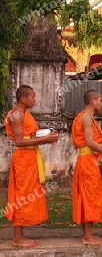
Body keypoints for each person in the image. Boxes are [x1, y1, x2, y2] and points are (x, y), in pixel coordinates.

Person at [3, 85, 59, 247]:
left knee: (28, 194)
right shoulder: (16, 115)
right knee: (21, 195)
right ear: (23, 99)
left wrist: (49, 133)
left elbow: (32, 133)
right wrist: (45, 140)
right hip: (23, 159)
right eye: (32, 97)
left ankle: (20, 236)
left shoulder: (26, 114)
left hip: (31, 158)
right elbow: (20, 142)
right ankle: (17, 238)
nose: (35, 100)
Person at [72, 90, 102, 246]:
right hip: (88, 162)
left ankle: (88, 234)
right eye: (100, 100)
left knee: (89, 196)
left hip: (90, 160)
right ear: (92, 102)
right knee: (89, 197)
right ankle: (87, 236)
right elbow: (89, 141)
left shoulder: (89, 118)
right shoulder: (86, 118)